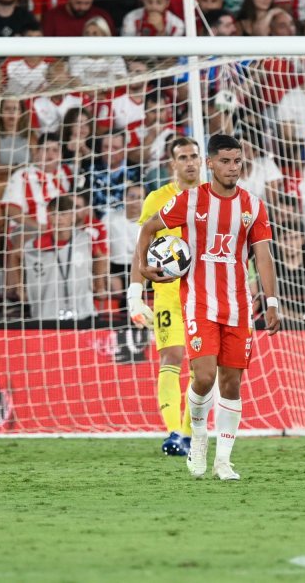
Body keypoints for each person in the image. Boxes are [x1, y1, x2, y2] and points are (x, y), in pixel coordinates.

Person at [132, 133, 281, 481]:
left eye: (237, 161)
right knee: (204, 377)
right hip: (199, 302)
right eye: (225, 161)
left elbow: (263, 255)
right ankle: (198, 438)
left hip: (239, 306)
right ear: (210, 164)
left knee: (231, 385)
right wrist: (142, 267)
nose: (232, 168)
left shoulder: (253, 206)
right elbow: (148, 230)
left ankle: (224, 460)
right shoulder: (190, 200)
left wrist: (271, 302)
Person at [127, 137, 202, 456]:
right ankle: (174, 432)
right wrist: (134, 295)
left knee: (203, 366)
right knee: (171, 357)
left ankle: (188, 433)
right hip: (168, 291)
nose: (189, 162)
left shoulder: (215, 197)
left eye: (194, 156)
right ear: (173, 164)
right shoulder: (158, 198)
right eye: (182, 157)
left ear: (202, 161)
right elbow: (141, 248)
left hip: (204, 291)